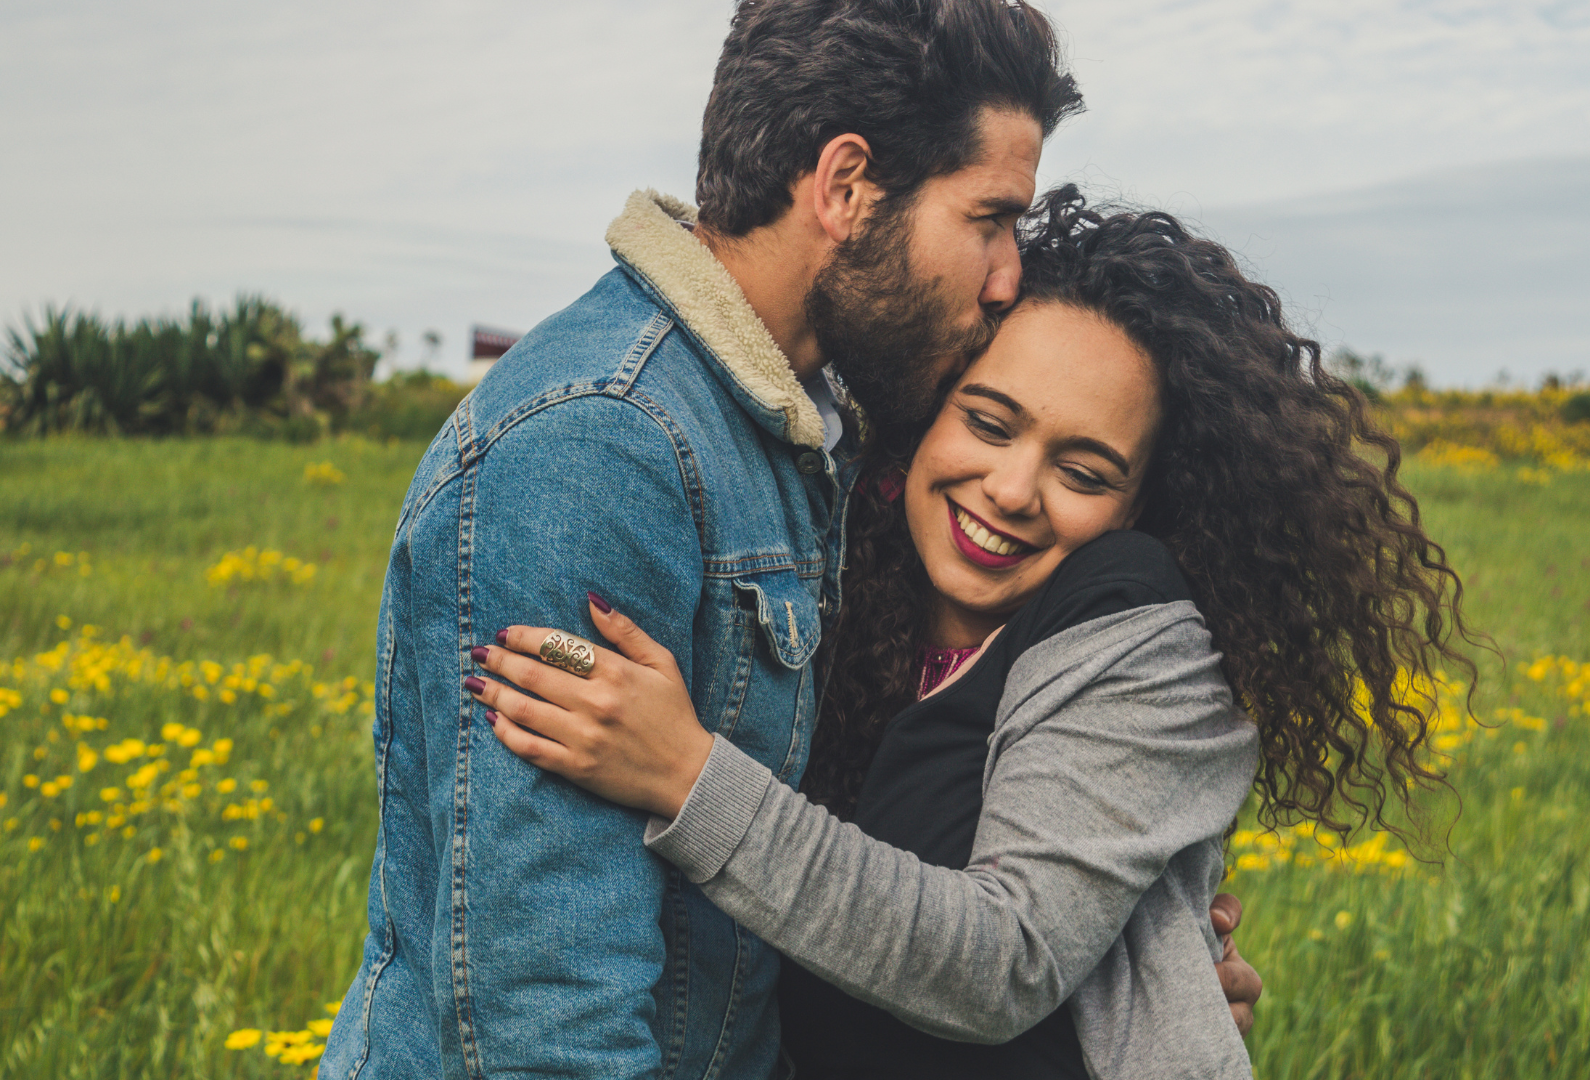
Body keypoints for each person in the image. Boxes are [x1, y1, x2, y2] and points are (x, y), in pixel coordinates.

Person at [318, 4, 1259, 1078]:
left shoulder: (806, 437)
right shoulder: (602, 447)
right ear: (847, 187)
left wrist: (1135, 980)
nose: (1007, 275)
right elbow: (548, 1010)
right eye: (988, 218)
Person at [470, 189, 1476, 1078]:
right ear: (921, 416)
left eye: (1084, 473)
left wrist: (685, 775)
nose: (1011, 490)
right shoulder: (837, 593)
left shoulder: (1141, 630)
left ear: (1139, 506)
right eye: (989, 423)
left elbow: (1003, 963)